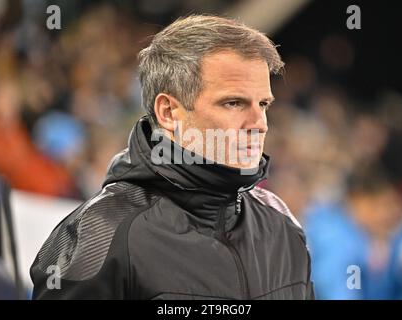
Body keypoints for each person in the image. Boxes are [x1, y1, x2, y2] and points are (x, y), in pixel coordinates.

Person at [30, 15, 314, 300]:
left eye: (263, 104)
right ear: (168, 112)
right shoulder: (101, 234)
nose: (259, 123)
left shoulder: (283, 224)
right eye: (234, 103)